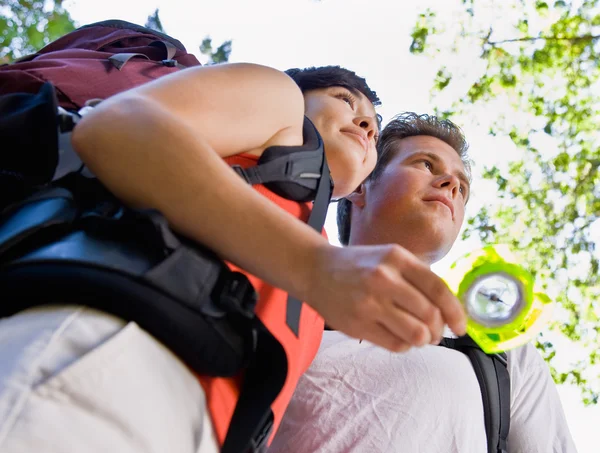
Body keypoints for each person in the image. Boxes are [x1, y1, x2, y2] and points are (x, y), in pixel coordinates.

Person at [0, 63, 467, 453]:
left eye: (372, 124)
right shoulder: (282, 105)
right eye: (346, 100)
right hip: (102, 353)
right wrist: (316, 268)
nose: (365, 123)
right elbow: (113, 126)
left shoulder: (314, 236)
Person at [269, 112, 577, 453]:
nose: (452, 185)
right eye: (426, 164)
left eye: (463, 187)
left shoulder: (500, 350)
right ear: (360, 187)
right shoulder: (282, 298)